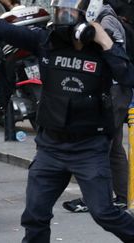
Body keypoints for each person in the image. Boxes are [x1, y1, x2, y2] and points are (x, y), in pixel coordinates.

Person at [0, 0, 134, 241]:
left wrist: (105, 40)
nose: (62, 19)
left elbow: (127, 76)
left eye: (68, 14)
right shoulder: (46, 42)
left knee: (104, 213)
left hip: (89, 147)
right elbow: (4, 30)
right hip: (51, 148)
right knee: (35, 216)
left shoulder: (103, 50)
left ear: (87, 19)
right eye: (60, 13)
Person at [62, 2, 131, 213]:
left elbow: (111, 56)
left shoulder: (106, 21)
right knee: (115, 146)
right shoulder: (106, 19)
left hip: (114, 91)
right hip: (116, 90)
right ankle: (120, 196)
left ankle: (96, 198)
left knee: (100, 146)